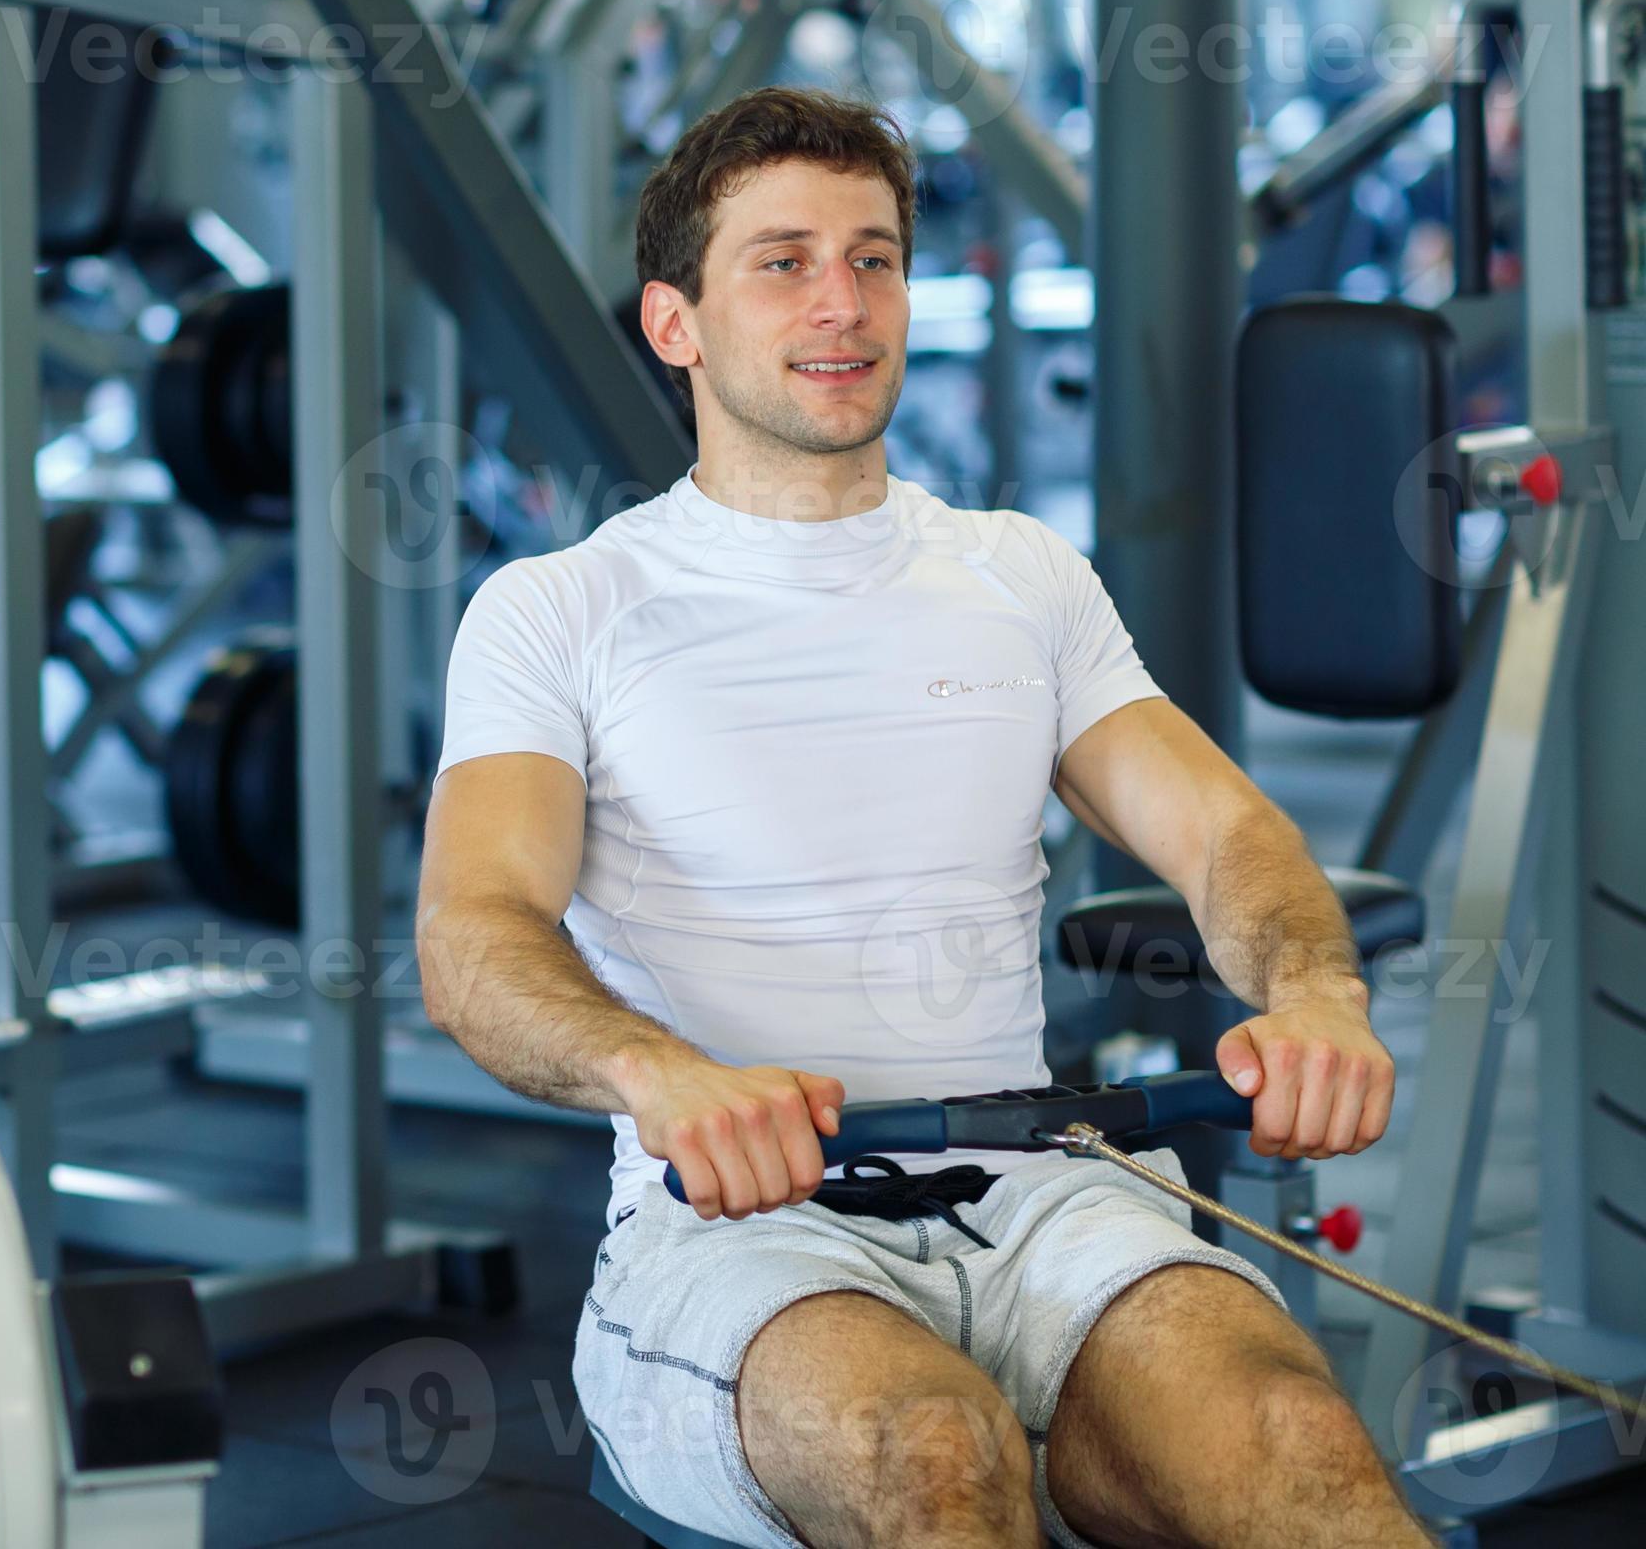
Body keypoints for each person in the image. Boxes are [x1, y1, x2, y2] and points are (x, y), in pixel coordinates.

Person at [418, 89, 1427, 1549]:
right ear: (674, 323)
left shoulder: (1020, 573)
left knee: (1297, 1448)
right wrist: (661, 1074)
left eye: (874, 257)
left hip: (1050, 1197)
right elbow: (472, 934)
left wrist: (1317, 995)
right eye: (783, 262)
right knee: (932, 1458)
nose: (843, 302)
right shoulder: (561, 610)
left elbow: (1227, 836)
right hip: (737, 1232)